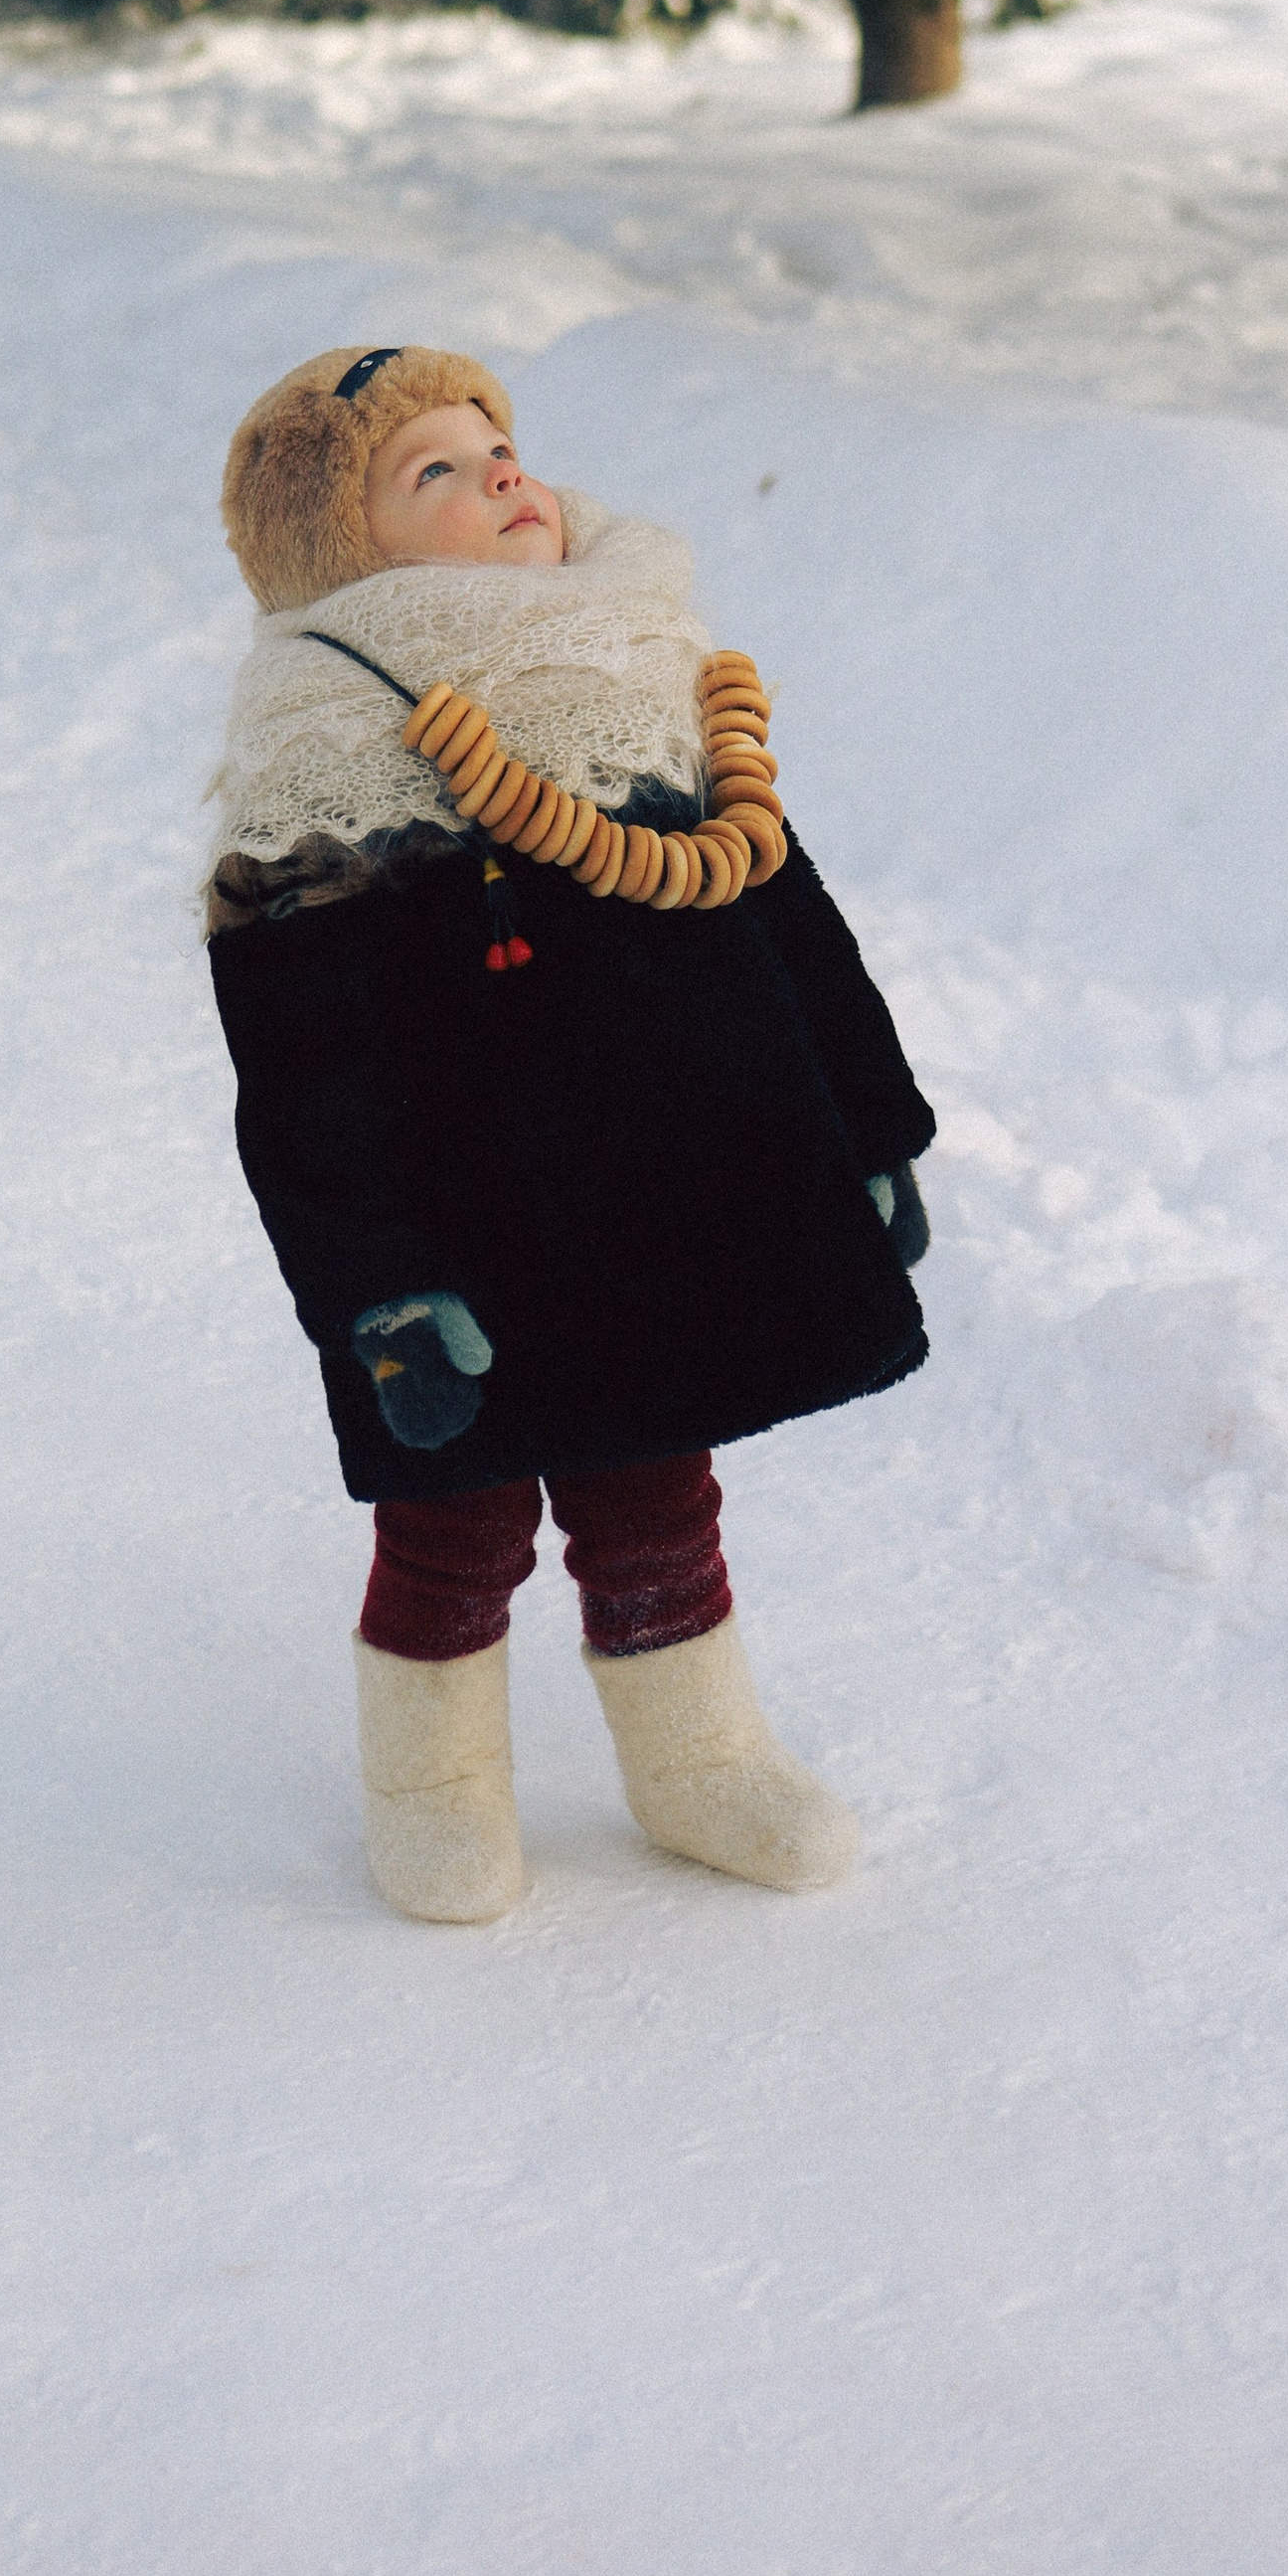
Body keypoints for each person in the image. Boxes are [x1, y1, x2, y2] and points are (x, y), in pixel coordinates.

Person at [205, 343, 934, 1922]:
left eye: (498, 445)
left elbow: (784, 920)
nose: (502, 477)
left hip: (659, 1186)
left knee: (659, 1486)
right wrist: (376, 1287)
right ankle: (434, 1789)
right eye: (436, 474)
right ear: (343, 545)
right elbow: (304, 1065)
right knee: (455, 1520)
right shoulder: (323, 754)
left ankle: (698, 1765)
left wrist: (869, 1128)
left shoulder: (639, 659)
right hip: (463, 1233)